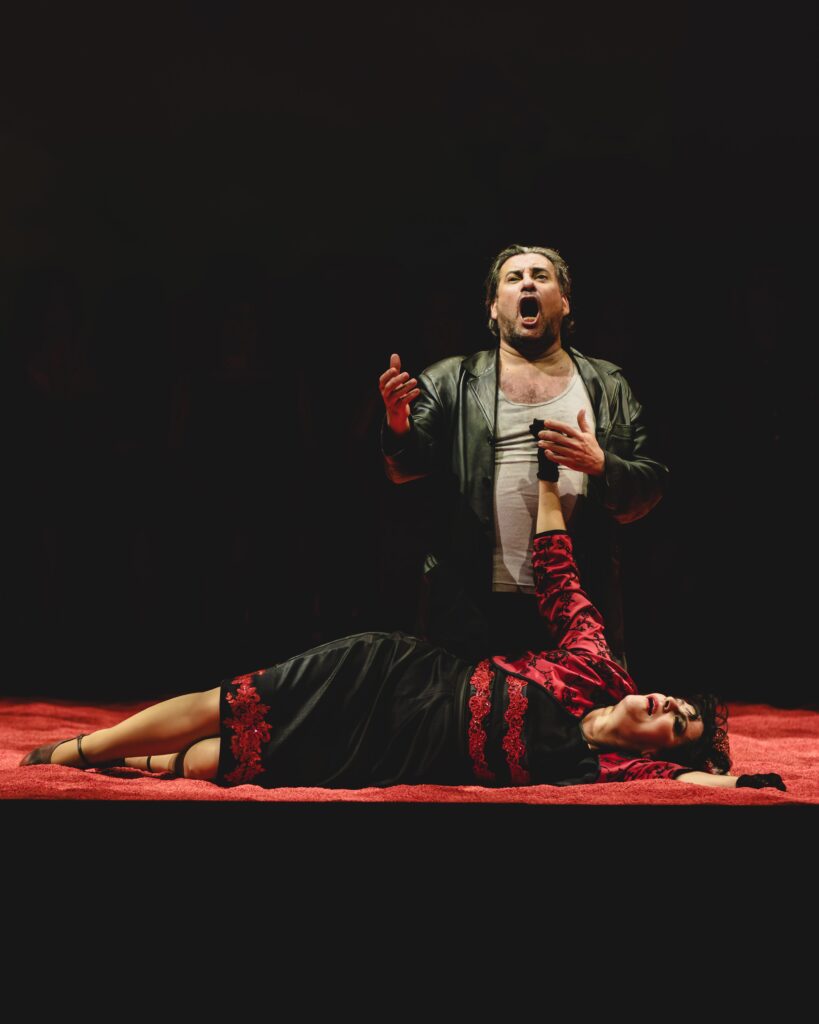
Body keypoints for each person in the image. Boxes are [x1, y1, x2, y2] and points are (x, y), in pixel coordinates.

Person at [19, 440, 783, 792]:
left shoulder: (610, 769)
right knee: (237, 704)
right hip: (394, 676)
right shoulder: (595, 666)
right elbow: (557, 573)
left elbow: (697, 784)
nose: (666, 706)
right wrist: (548, 482)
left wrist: (739, 783)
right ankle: (78, 752)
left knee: (227, 762)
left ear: (658, 753)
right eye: (678, 703)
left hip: (399, 753)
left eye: (675, 724)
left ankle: (138, 763)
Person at [379, 244, 669, 666]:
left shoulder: (608, 386)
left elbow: (651, 484)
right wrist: (397, 424)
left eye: (541, 275)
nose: (528, 282)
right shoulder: (449, 380)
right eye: (514, 278)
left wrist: (602, 465)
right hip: (473, 610)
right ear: (493, 307)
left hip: (578, 607)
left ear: (564, 302)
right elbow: (405, 468)